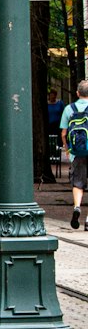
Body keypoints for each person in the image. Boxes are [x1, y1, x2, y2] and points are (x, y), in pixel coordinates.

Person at [61, 80, 88, 227]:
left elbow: (64, 133)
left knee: (78, 183)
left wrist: (68, 150)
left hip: (77, 152)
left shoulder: (69, 109)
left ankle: (77, 206)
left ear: (77, 93)